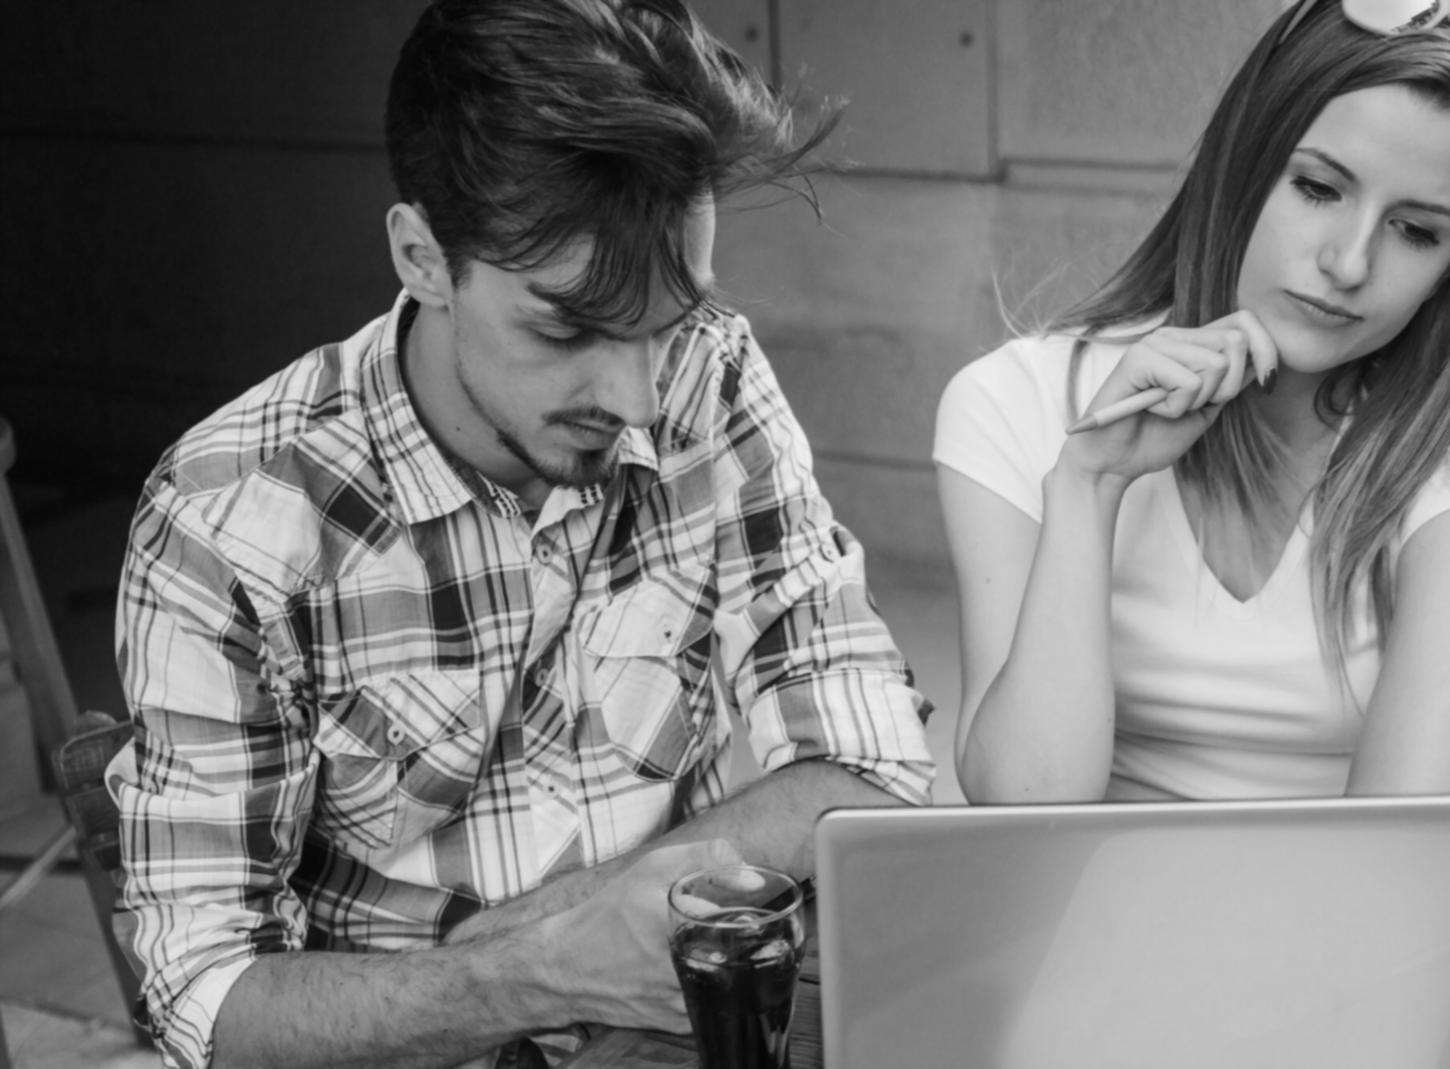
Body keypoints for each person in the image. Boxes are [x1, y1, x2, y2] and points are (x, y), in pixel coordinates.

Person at [109, 2, 935, 1067]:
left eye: (665, 319)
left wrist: (572, 919)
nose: (637, 396)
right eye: (566, 328)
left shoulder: (711, 375)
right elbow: (205, 1001)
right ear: (421, 256)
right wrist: (529, 972)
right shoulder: (228, 515)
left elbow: (867, 759)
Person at [934, 0, 1450, 805]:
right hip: (1112, 908)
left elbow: (1400, 843)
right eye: (1317, 187)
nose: (1348, 261)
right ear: (1242, 163)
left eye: (1415, 230)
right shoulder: (1013, 401)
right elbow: (1024, 809)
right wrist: (1088, 486)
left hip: (1385, 914)